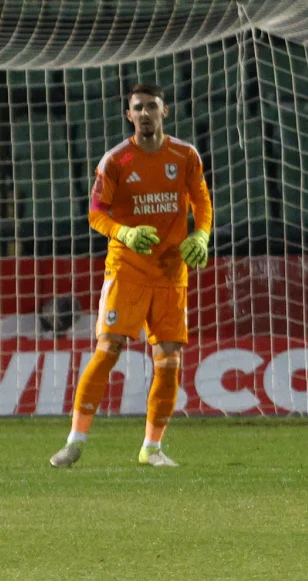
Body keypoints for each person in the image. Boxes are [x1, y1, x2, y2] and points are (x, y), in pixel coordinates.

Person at [49, 83, 213, 469]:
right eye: (137, 108)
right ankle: (74, 441)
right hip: (127, 268)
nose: (144, 114)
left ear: (164, 111)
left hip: (171, 271)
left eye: (151, 107)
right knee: (109, 349)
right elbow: (95, 212)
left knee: (169, 360)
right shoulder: (115, 160)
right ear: (129, 115)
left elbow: (202, 201)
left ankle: (151, 448)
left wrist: (202, 234)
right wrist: (124, 233)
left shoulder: (185, 155)